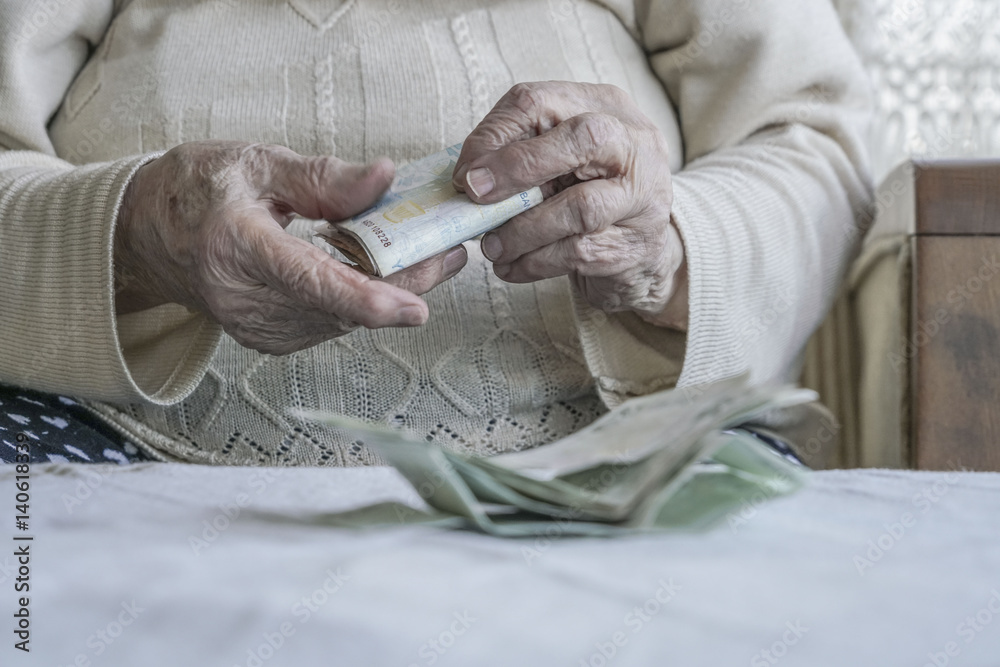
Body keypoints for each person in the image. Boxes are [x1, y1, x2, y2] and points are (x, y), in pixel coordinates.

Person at [0, 0, 872, 466]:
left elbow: (810, 150)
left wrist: (666, 250)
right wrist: (133, 237)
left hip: (615, 449)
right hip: (107, 443)